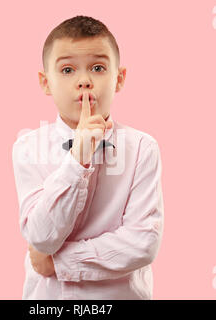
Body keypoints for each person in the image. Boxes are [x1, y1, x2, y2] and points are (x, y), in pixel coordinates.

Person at [12, 15, 164, 299]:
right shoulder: (27, 148)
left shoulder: (143, 147)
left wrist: (59, 262)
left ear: (119, 79)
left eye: (97, 68)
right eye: (68, 70)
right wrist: (78, 158)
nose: (84, 81)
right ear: (46, 83)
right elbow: (42, 237)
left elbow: (143, 242)